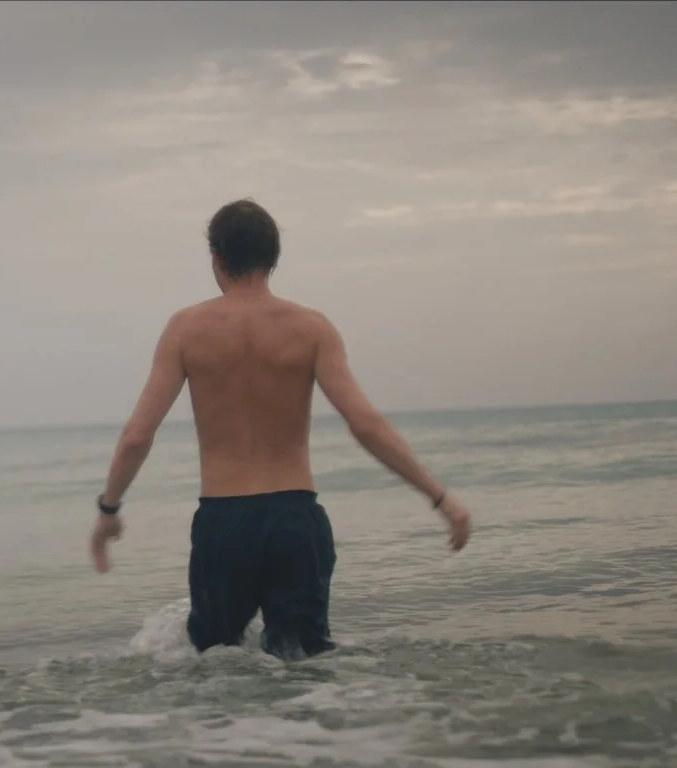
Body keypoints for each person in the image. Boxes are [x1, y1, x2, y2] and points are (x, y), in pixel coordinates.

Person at [88, 198, 471, 660]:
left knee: (214, 671)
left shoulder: (186, 329)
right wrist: (440, 497)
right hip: (295, 521)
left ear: (217, 258)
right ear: (273, 258)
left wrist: (108, 511)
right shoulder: (311, 328)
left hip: (224, 524)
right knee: (305, 669)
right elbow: (365, 424)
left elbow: (136, 436)